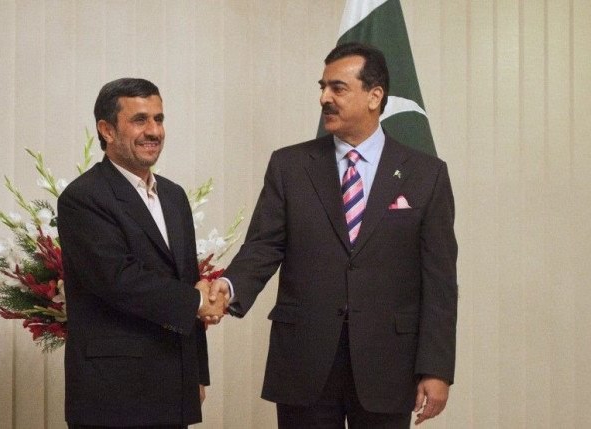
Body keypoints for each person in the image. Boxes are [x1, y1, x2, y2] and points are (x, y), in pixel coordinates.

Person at [209, 43, 458, 428]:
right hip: (304, 361)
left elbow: (440, 281)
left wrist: (436, 368)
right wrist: (228, 286)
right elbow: (263, 245)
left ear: (375, 96)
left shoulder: (427, 174)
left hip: (388, 365)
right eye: (322, 87)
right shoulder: (290, 165)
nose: (324, 97)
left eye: (337, 88)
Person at [57, 78, 226, 429]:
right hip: (112, 393)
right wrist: (197, 302)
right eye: (140, 120)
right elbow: (118, 280)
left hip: (174, 386)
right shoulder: (84, 198)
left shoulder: (175, 197)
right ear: (106, 130)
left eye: (159, 119)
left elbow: (187, 279)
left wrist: (196, 372)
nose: (154, 131)